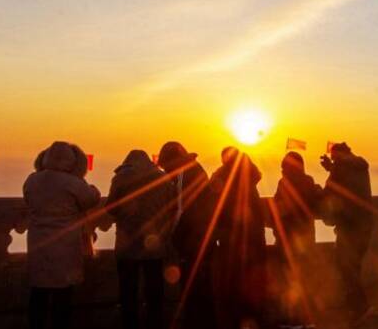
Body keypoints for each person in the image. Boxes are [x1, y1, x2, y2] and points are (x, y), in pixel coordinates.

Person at [24, 141, 101, 329]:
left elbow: (27, 199)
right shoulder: (72, 183)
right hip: (65, 247)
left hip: (38, 244)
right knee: (62, 297)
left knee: (38, 295)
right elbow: (91, 198)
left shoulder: (32, 180)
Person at [106, 150, 176, 329]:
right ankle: (156, 322)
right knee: (154, 289)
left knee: (128, 290)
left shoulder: (120, 178)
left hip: (127, 243)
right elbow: (172, 205)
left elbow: (110, 207)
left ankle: (130, 323)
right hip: (154, 242)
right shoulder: (162, 178)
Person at [157, 141, 216, 329]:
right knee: (203, 291)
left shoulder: (185, 174)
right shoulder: (195, 169)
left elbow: (182, 210)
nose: (166, 171)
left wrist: (171, 236)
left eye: (166, 166)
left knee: (194, 292)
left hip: (192, 242)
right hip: (202, 238)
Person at [210, 147, 267, 329]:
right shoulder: (251, 183)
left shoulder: (225, 181)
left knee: (233, 288)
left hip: (232, 243)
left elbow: (220, 210)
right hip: (255, 242)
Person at [320, 142, 373, 326]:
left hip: (349, 225)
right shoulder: (359, 165)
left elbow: (330, 189)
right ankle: (356, 305)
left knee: (346, 266)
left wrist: (329, 174)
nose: (333, 159)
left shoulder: (341, 167)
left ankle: (359, 308)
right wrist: (332, 168)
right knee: (354, 266)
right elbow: (347, 182)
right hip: (365, 223)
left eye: (334, 156)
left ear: (339, 155)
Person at [273, 152, 323, 328]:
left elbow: (280, 208)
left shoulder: (285, 183)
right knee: (305, 278)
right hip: (306, 236)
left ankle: (293, 320)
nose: (281, 169)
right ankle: (308, 319)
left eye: (283, 165)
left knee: (289, 280)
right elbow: (315, 206)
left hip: (289, 237)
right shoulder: (308, 181)